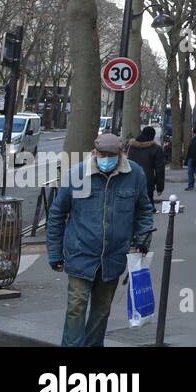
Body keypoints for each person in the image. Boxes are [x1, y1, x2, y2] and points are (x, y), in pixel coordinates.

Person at [46, 133, 154, 347]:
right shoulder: (77, 174)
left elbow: (144, 211)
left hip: (113, 256)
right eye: (102, 154)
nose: (105, 159)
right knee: (76, 307)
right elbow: (57, 214)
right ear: (94, 153)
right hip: (80, 253)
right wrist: (55, 253)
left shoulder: (135, 174)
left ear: (121, 154)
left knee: (102, 309)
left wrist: (141, 241)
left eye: (111, 155)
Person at [125, 126, 166, 210]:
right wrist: (160, 187)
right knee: (147, 205)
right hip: (147, 179)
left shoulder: (130, 146)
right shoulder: (156, 149)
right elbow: (159, 169)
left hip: (130, 177)